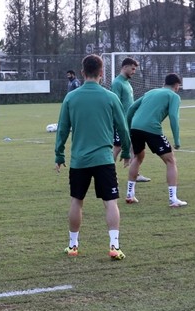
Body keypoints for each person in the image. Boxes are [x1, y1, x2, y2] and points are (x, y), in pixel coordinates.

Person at [54, 54, 132, 260]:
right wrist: (126, 151)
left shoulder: (71, 97)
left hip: (79, 160)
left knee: (76, 201)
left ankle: (73, 245)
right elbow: (123, 127)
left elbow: (62, 129)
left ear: (82, 72)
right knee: (110, 202)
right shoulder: (110, 97)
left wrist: (59, 154)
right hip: (104, 160)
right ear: (101, 72)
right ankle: (114, 246)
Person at [124, 73, 187, 207]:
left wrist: (129, 128)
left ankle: (130, 195)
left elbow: (131, 109)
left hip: (135, 127)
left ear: (165, 83)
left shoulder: (151, 92)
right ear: (177, 85)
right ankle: (173, 199)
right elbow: (173, 117)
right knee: (170, 161)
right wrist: (177, 140)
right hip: (152, 129)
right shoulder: (174, 96)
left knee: (138, 158)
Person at [110, 57, 149, 183]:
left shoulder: (127, 83)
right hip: (121, 122)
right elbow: (115, 103)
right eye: (132, 69)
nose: (134, 71)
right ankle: (108, 174)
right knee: (118, 147)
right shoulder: (117, 83)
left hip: (130, 121)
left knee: (133, 147)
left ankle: (135, 174)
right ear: (124, 67)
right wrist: (119, 121)